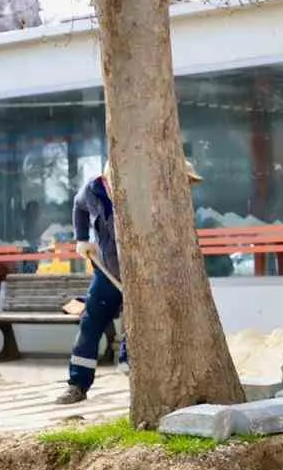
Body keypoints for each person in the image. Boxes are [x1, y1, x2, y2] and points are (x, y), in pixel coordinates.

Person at [58, 156, 204, 405]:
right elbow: (78, 206)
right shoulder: (94, 190)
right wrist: (81, 239)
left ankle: (135, 374)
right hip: (107, 273)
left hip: (145, 275)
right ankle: (77, 385)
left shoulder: (156, 198)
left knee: (139, 324)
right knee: (90, 325)